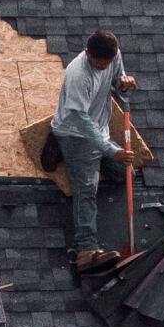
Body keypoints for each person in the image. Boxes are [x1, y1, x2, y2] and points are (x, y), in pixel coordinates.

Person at [54, 28, 148, 269]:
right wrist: (109, 150)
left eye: (108, 62)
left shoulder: (112, 55)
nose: (104, 66)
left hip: (100, 132)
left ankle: (96, 162)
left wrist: (123, 83)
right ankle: (86, 249)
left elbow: (117, 81)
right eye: (99, 63)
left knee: (126, 174)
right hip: (75, 134)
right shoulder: (78, 75)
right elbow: (79, 120)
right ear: (88, 54)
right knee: (86, 190)